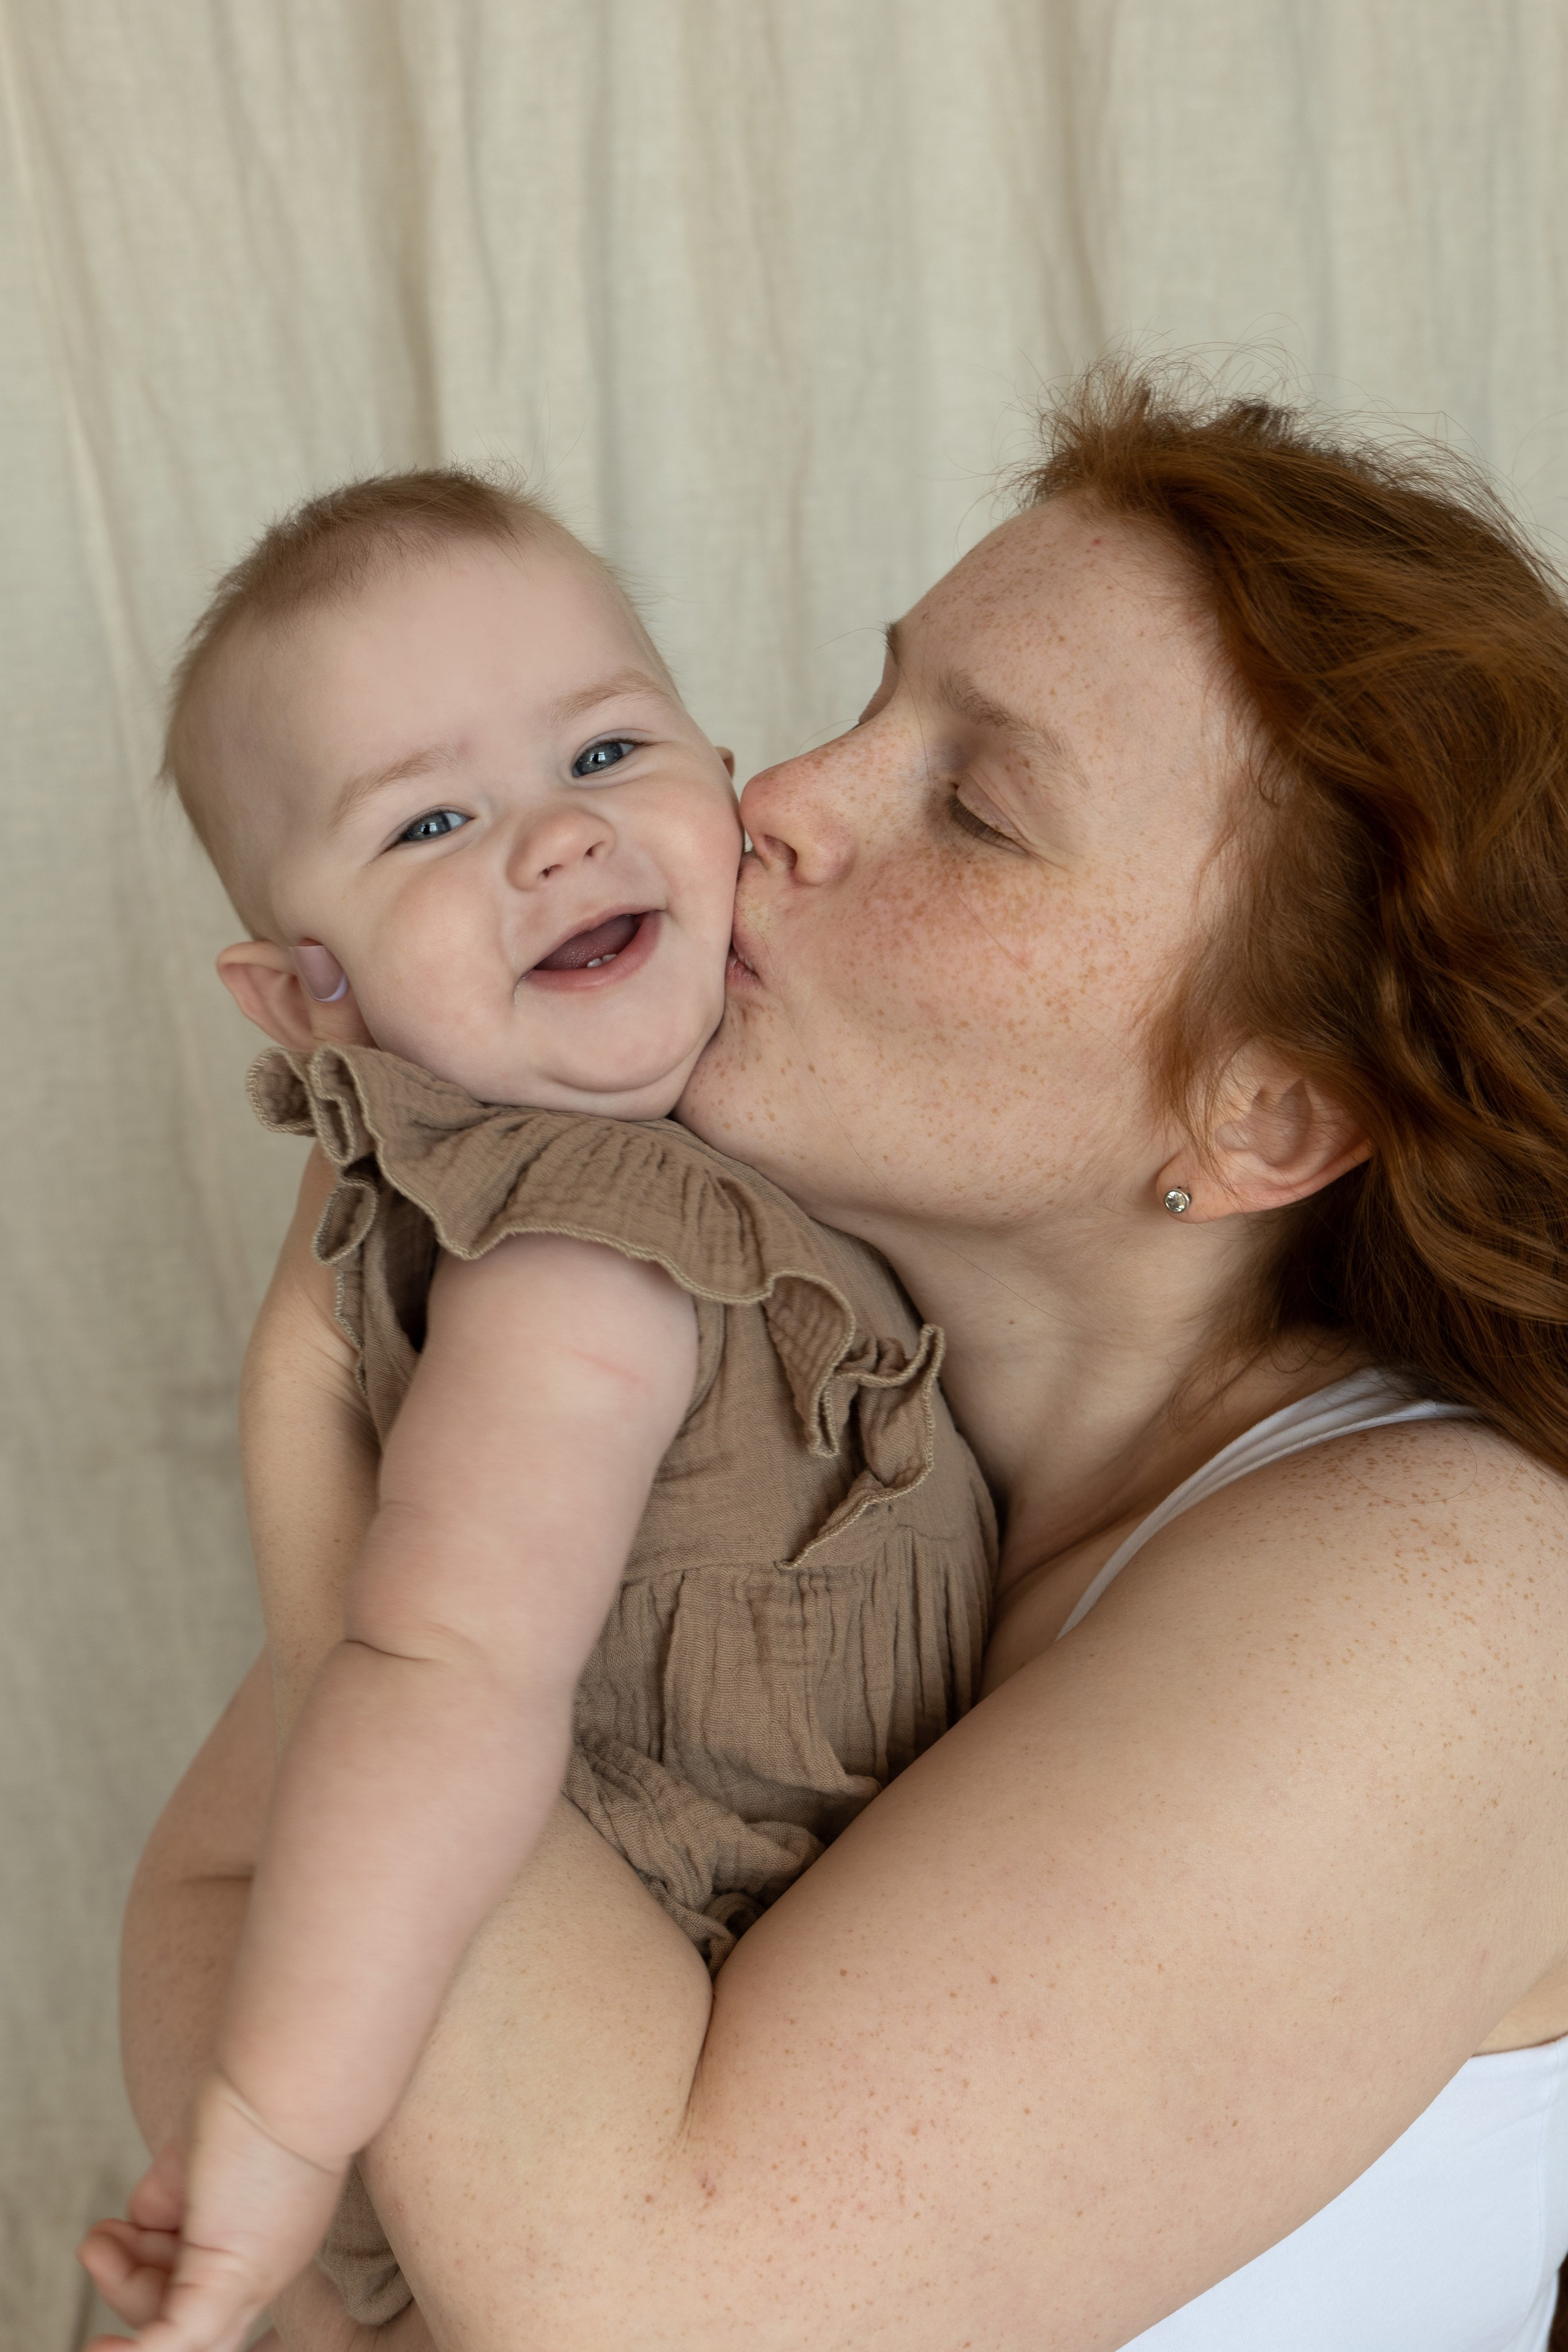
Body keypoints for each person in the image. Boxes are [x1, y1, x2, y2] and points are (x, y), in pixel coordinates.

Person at [84, 360, 1568, 2351]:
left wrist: (311, 1437)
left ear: (1264, 1116)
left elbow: (633, 2308)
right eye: (874, 700)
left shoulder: (1460, 1599)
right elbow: (204, 1920)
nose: (774, 799)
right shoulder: (794, 1393)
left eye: (972, 805)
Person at [91, 472, 993, 2352]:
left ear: (727, 779)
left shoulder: (711, 1173)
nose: (558, 840)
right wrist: (275, 2125)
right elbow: (437, 1675)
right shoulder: (587, 1253)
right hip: (611, 2071)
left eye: (603, 746)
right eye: (432, 818)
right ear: (305, 993)